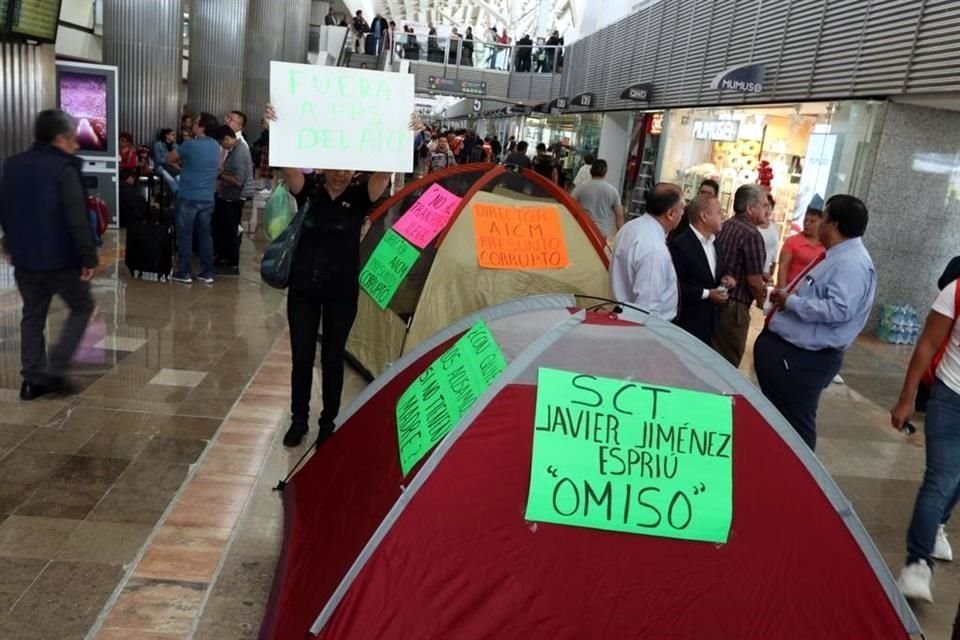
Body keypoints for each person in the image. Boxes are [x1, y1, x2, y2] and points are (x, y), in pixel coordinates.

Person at [263, 104, 420, 448]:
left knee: (333, 357)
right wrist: (278, 125)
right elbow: (288, 166)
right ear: (323, 165)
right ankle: (299, 419)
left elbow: (384, 173)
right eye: (336, 168)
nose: (341, 175)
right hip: (303, 289)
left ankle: (327, 421)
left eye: (348, 169)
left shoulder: (361, 194)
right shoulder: (310, 189)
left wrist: (404, 134)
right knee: (302, 357)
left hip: (341, 292)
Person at [754, 195, 876, 450]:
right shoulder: (834, 256)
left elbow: (839, 309)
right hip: (788, 353)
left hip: (803, 361)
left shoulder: (852, 263)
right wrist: (785, 295)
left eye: (822, 218)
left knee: (795, 428)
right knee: (780, 423)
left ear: (834, 225)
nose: (817, 224)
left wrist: (792, 303)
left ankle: (793, 481)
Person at [0, 110, 97, 400]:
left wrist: (10, 243)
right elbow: (77, 218)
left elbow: (5, 207)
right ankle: (55, 371)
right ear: (59, 139)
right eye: (72, 139)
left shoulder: (12, 165)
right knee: (81, 307)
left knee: (32, 315)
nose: (76, 145)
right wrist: (88, 257)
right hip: (60, 259)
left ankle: (31, 381)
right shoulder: (64, 169)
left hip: (25, 258)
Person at [892, 267, 960, 602]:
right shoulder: (956, 291)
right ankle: (917, 562)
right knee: (941, 478)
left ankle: (935, 526)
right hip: (951, 399)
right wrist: (906, 398)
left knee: (955, 479)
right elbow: (927, 345)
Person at [713, 184, 770, 367]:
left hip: (718, 299)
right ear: (750, 208)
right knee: (727, 362)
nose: (767, 210)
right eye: (763, 205)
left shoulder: (726, 225)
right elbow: (753, 282)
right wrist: (763, 303)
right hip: (735, 308)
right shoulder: (752, 234)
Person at [610, 183, 685, 320]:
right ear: (670, 213)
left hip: (624, 313)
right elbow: (647, 308)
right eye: (681, 208)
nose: (683, 213)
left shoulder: (630, 227)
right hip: (642, 324)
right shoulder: (654, 249)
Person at [670, 195, 736, 345]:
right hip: (686, 325)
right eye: (719, 212)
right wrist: (707, 294)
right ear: (704, 216)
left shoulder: (716, 243)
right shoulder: (681, 244)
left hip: (710, 325)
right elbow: (674, 285)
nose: (723, 216)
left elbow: (719, 272)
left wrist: (727, 278)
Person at [167, 112, 220, 284]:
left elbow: (170, 158)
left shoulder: (189, 145)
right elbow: (218, 168)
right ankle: (207, 272)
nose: (193, 125)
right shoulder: (215, 146)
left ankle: (185, 272)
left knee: (185, 235)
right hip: (208, 197)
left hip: (189, 196)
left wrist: (182, 165)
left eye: (196, 122)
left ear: (202, 127)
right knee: (206, 236)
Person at [212, 125, 253, 275]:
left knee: (230, 231)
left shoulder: (240, 152)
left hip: (235, 197)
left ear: (227, 139)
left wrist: (221, 175)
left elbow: (238, 180)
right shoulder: (235, 149)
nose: (222, 146)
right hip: (229, 196)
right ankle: (225, 259)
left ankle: (232, 264)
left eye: (222, 143)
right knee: (226, 229)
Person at [778, 199, 825, 288]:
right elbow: (783, 268)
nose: (807, 223)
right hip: (789, 290)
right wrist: (782, 291)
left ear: (822, 223)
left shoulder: (826, 246)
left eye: (812, 221)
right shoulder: (792, 241)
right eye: (806, 220)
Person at [571, 159, 623, 240]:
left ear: (591, 171)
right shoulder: (612, 190)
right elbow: (619, 216)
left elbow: (569, 206)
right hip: (601, 233)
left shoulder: (580, 188)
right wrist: (621, 236)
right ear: (605, 172)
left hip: (583, 229)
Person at [759, 193, 780, 280]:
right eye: (764, 207)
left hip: (766, 273)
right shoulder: (753, 227)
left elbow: (774, 250)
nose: (767, 211)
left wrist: (772, 269)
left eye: (769, 207)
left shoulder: (773, 227)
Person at [153, 128, 180, 195]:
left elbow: (179, 159)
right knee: (170, 180)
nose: (174, 136)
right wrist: (170, 162)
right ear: (166, 136)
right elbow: (158, 159)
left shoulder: (176, 146)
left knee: (179, 179)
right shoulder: (158, 145)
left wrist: (175, 163)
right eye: (172, 135)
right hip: (161, 167)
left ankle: (177, 198)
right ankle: (179, 195)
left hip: (172, 167)